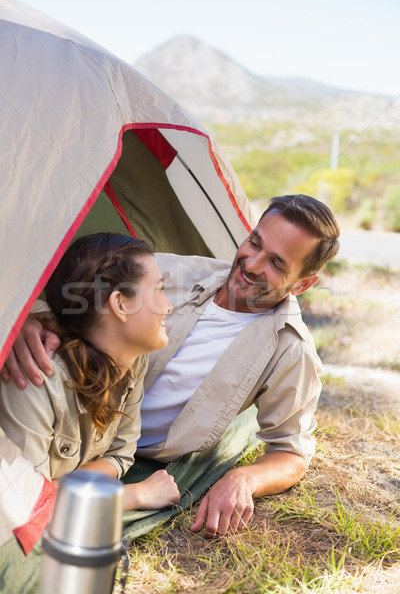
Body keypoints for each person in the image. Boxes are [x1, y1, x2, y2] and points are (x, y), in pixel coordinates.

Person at [1, 194, 340, 536]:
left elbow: (291, 451)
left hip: (118, 453)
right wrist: (26, 319)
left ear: (303, 284)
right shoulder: (170, 272)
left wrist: (243, 478)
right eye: (254, 242)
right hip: (67, 422)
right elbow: (78, 288)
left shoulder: (291, 352)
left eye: (277, 264)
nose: (251, 264)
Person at [0, 233, 180, 512]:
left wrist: (58, 488)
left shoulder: (133, 360)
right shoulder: (38, 374)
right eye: (158, 290)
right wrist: (134, 495)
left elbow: (119, 455)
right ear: (120, 304)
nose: (168, 304)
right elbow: (25, 502)